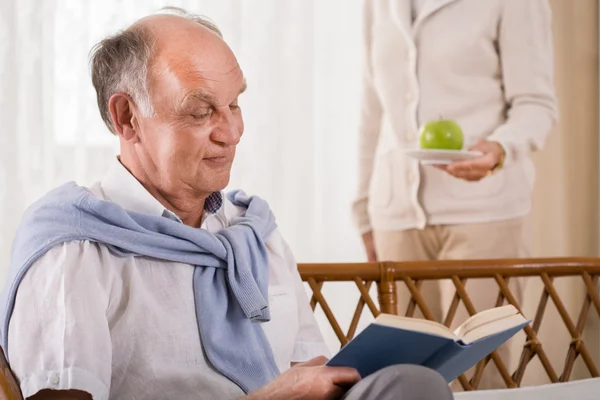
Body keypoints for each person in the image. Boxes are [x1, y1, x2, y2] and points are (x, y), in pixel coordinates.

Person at [0, 8, 453, 400]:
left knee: (413, 384)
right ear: (127, 118)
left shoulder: (254, 230)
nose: (232, 133)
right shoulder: (72, 250)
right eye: (200, 112)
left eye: (234, 105)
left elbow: (312, 371)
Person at [352, 0, 557, 389]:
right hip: (396, 215)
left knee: (482, 373)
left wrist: (499, 148)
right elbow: (371, 108)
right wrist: (363, 212)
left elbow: (536, 103)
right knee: (402, 373)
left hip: (485, 213)